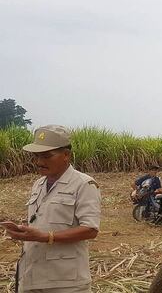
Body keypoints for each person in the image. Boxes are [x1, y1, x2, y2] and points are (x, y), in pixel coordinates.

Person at [5, 125, 101, 293]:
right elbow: (41, 220)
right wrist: (22, 230)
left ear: (66, 155)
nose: (40, 162)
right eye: (37, 156)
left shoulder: (84, 184)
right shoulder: (39, 184)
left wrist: (46, 237)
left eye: (47, 156)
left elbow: (90, 229)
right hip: (31, 275)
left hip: (65, 282)